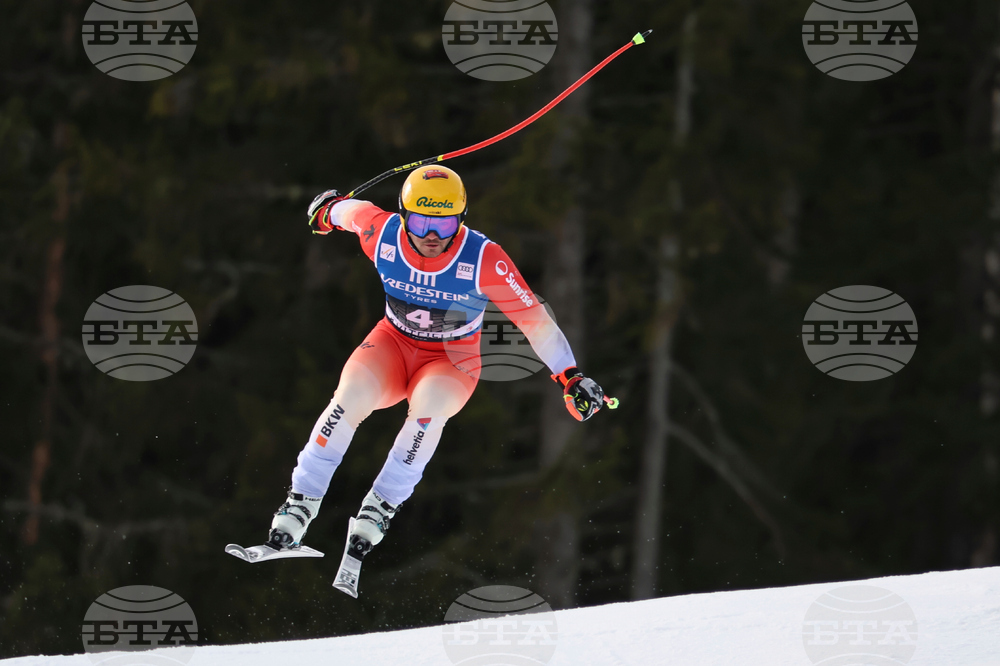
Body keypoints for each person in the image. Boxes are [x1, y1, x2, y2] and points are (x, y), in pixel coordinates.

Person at [268, 165, 608, 560]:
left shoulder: (484, 258)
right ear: (403, 215)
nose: (432, 236)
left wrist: (569, 375)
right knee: (348, 400)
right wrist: (327, 210)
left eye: (445, 226)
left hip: (451, 360)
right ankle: (301, 502)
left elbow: (533, 319)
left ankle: (380, 506)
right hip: (392, 344)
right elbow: (352, 212)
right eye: (421, 221)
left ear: (461, 221)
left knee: (428, 411)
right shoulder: (384, 235)